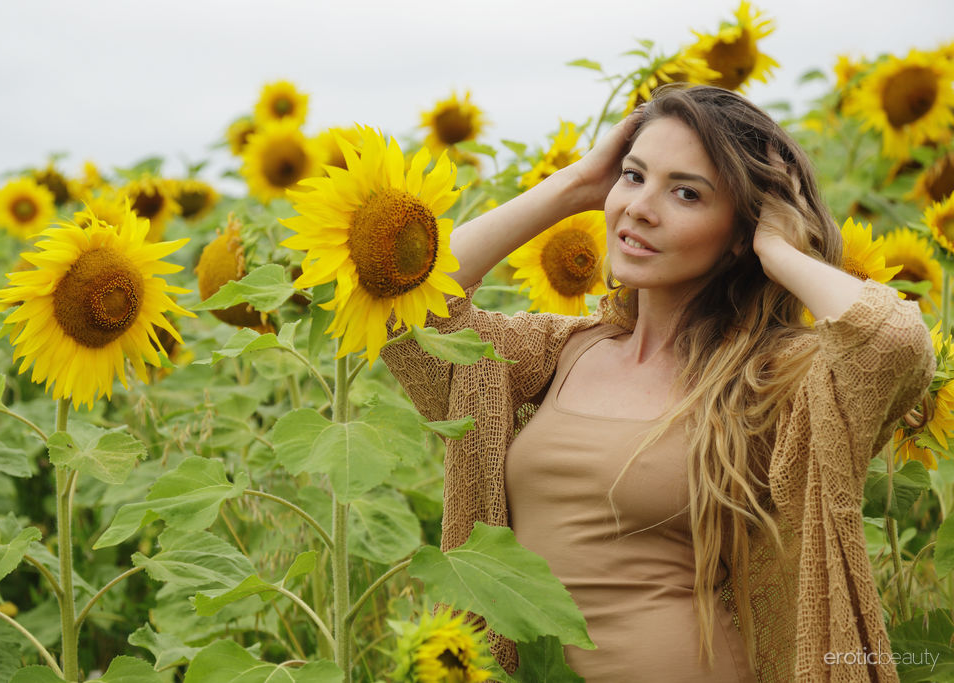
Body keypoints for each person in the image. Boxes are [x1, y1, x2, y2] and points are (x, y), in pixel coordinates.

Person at [380, 85, 935, 682]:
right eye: (633, 176)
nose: (642, 207)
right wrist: (574, 186)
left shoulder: (772, 377)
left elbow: (894, 344)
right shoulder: (559, 353)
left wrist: (776, 248)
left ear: (738, 232)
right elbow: (406, 302)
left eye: (687, 193)